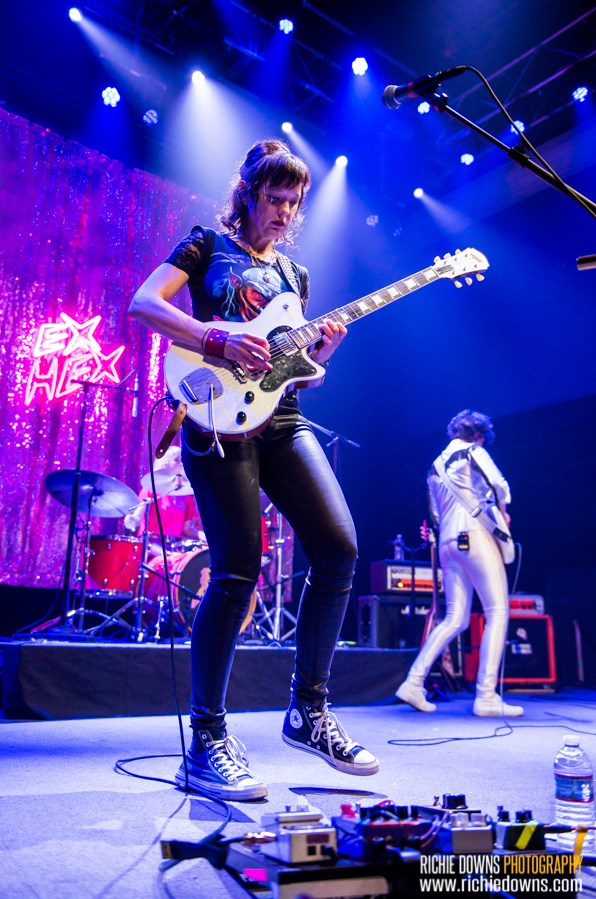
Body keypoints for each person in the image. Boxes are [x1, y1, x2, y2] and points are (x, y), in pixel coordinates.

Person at [129, 138, 378, 801]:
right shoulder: (206, 245)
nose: (284, 211)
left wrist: (322, 355)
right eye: (274, 197)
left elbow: (293, 373)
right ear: (248, 194)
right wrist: (216, 335)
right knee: (237, 569)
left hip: (281, 420)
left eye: (294, 201)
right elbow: (144, 303)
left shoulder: (295, 276)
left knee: (339, 548)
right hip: (214, 419)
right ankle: (206, 740)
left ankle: (308, 712)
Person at [396, 409, 523, 718]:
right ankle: (486, 696)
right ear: (478, 435)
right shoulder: (473, 452)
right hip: (475, 535)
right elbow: (499, 485)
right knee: (497, 612)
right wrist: (504, 513)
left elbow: (435, 514)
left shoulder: (434, 467)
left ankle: (413, 682)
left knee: (454, 618)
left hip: (447, 542)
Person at [123, 445, 204, 557]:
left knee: (187, 562)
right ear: (165, 463)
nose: (181, 464)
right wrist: (131, 520)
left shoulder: (186, 496)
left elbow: (186, 529)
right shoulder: (151, 489)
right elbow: (138, 516)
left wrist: (201, 535)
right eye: (177, 460)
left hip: (175, 545)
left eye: (182, 460)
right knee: (169, 559)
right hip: (151, 544)